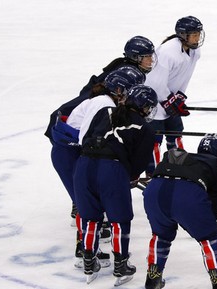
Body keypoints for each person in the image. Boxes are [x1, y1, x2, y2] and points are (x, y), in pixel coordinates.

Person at [51, 66, 145, 268]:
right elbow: (87, 137)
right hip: (70, 155)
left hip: (75, 153)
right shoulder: (103, 104)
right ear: (119, 90)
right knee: (84, 204)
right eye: (132, 89)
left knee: (89, 203)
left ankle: (88, 250)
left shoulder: (106, 101)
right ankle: (81, 250)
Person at [74, 84, 158, 285]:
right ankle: (121, 266)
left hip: (83, 165)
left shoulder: (105, 112)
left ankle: (88, 262)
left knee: (90, 216)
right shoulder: (145, 128)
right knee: (119, 219)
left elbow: (85, 136)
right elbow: (138, 163)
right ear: (144, 107)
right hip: (111, 170)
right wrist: (127, 175)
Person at [143, 136, 217, 289]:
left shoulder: (190, 158)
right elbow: (213, 205)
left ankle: (153, 278)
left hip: (154, 191)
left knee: (160, 235)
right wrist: (213, 218)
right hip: (187, 195)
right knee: (209, 238)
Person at [144, 16, 204, 175]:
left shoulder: (195, 51)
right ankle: (153, 174)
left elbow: (186, 75)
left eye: (198, 34)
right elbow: (155, 83)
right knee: (154, 141)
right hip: (153, 102)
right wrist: (168, 100)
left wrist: (180, 96)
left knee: (176, 133)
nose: (197, 38)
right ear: (183, 35)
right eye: (194, 34)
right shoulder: (167, 52)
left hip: (169, 99)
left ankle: (180, 170)